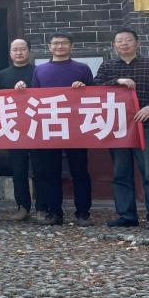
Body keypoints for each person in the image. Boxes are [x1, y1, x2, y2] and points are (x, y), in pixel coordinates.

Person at [95, 28, 149, 232]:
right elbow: (96, 87)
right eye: (119, 41)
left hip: (145, 125)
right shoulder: (108, 66)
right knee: (121, 173)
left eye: (128, 40)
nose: (124, 43)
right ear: (114, 45)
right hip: (117, 128)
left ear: (138, 43)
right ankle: (127, 215)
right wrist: (117, 81)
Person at [30, 33, 94, 226]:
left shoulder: (82, 69)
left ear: (71, 46)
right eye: (55, 43)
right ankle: (54, 213)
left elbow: (95, 96)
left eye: (64, 43)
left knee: (80, 172)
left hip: (77, 128)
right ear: (49, 47)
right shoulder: (40, 70)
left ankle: (82, 213)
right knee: (51, 172)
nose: (59, 46)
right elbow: (33, 98)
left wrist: (84, 87)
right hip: (50, 127)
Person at [0, 38, 36, 222]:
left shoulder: (38, 71)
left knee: (40, 169)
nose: (19, 52)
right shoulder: (3, 75)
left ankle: (43, 207)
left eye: (22, 49)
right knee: (18, 170)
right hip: (14, 128)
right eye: (15, 49)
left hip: (37, 127)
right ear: (10, 52)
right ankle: (23, 207)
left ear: (29, 51)